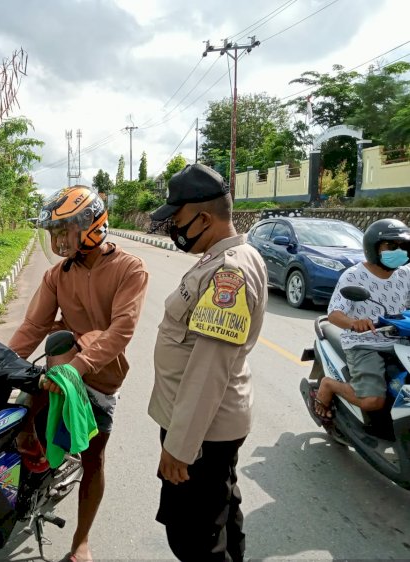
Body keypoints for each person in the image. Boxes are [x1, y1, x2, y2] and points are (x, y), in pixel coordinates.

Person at [8, 185, 149, 562]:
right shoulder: (57, 275)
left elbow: (121, 331)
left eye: (64, 231)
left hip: (101, 377)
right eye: (54, 233)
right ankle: (35, 454)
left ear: (91, 225)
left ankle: (81, 541)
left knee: (94, 460)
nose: (58, 240)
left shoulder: (129, 269)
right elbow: (33, 327)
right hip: (61, 368)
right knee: (19, 418)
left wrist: (78, 367)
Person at [146, 163, 267, 562]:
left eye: (177, 220)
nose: (173, 229)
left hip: (200, 432)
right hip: (208, 426)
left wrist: (180, 447)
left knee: (195, 537)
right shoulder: (225, 257)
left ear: (203, 217)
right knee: (221, 513)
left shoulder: (228, 270)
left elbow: (209, 369)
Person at [312, 218, 410, 421]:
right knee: (372, 401)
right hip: (365, 342)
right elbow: (335, 314)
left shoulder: (405, 275)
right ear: (373, 248)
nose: (398, 251)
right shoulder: (354, 276)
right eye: (391, 246)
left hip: (400, 340)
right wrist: (354, 323)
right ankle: (328, 385)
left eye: (403, 246)